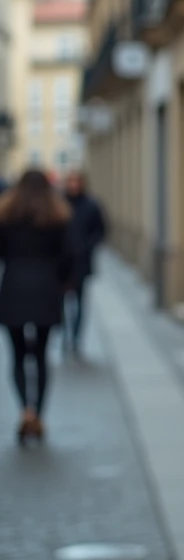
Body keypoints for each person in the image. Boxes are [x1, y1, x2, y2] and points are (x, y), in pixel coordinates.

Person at [0, 170, 75, 444]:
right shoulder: (57, 216)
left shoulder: (6, 215)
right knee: (42, 356)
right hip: (46, 288)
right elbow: (69, 254)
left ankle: (25, 410)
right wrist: (63, 281)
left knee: (18, 355)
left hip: (14, 288)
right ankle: (40, 414)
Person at [63, 170, 107, 355]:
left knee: (80, 301)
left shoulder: (91, 205)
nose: (74, 185)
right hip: (62, 262)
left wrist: (87, 246)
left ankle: (76, 338)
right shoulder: (59, 204)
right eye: (71, 181)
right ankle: (65, 336)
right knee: (61, 303)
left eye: (77, 181)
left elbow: (100, 230)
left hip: (81, 261)